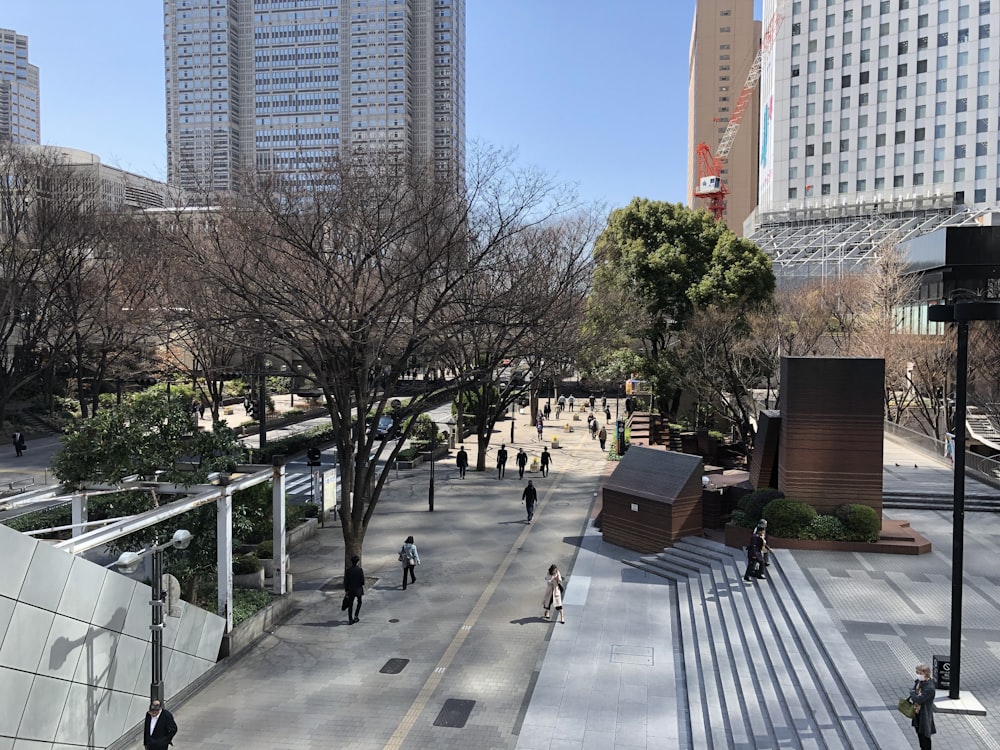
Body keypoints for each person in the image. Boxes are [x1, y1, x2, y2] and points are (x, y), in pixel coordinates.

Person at [909, 663, 936, 749]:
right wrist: (915, 694)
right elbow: (916, 693)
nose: (918, 675)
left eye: (919, 673)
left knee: (925, 737)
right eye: (917, 672)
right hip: (917, 713)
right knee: (920, 735)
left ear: (926, 674)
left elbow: (918, 699)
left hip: (924, 715)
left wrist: (913, 693)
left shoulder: (929, 688)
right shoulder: (919, 682)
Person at [344, 555, 365, 623]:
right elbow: (362, 581)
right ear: (357, 562)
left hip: (351, 590)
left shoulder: (348, 571)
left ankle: (350, 619)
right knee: (359, 602)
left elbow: (346, 581)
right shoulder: (359, 570)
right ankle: (356, 615)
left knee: (350, 604)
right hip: (358, 589)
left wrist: (347, 590)